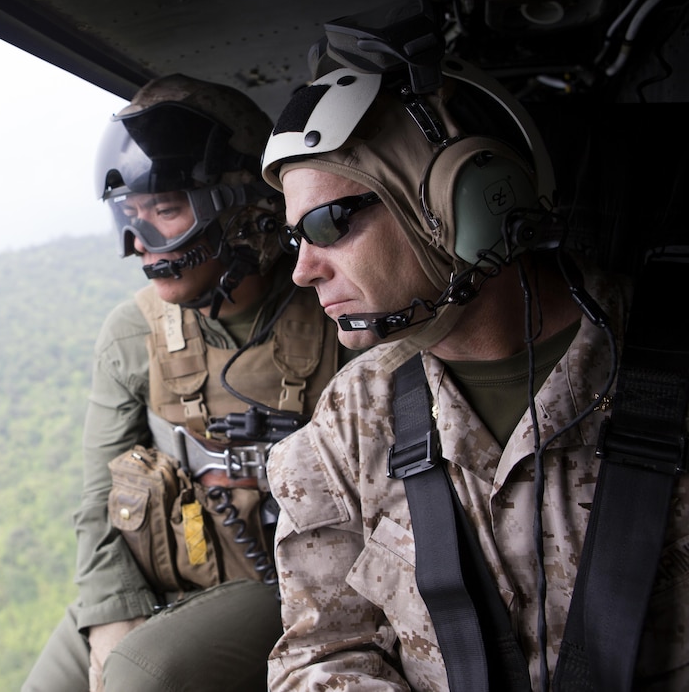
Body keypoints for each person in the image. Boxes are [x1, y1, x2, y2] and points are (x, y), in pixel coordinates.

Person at [256, 38, 689, 690]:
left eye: (328, 223)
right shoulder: (350, 419)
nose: (303, 268)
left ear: (460, 203)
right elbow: (319, 651)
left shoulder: (668, 360)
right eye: (296, 236)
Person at [21, 74, 343, 692]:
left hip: (283, 582)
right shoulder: (130, 334)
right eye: (130, 215)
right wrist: (111, 613)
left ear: (247, 210)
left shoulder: (334, 311)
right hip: (169, 571)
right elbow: (97, 500)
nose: (141, 242)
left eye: (165, 211)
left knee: (144, 678)